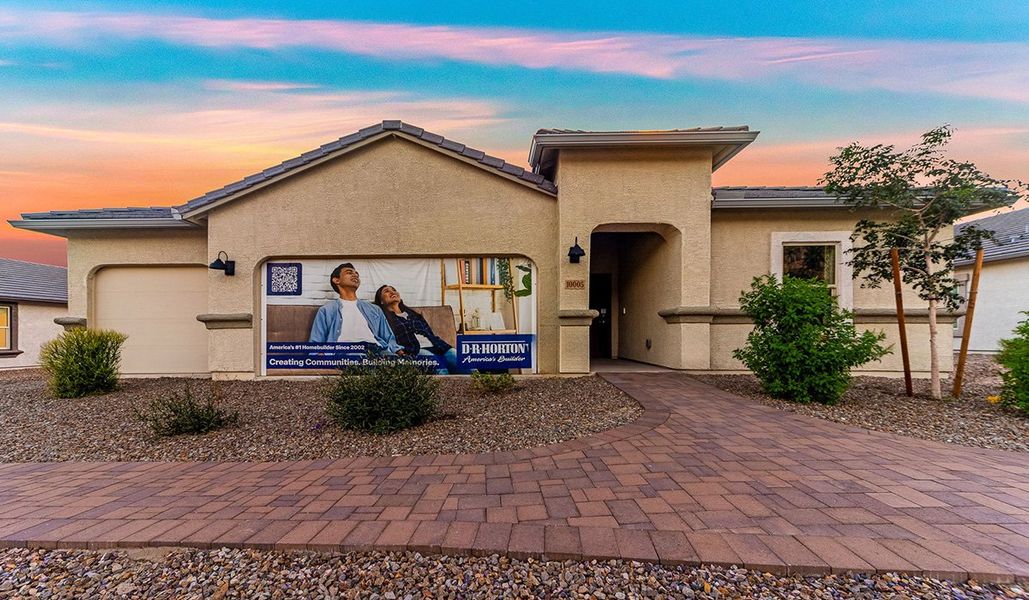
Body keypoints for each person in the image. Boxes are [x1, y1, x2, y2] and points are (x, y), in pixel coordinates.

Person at [308, 262, 402, 354]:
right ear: (337, 280)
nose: (355, 275)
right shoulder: (326, 310)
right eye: (349, 272)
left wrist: (400, 353)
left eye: (357, 274)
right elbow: (315, 344)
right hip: (342, 352)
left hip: (375, 351)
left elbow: (389, 337)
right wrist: (319, 356)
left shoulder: (374, 309)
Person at [374, 284, 460, 374]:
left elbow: (430, 333)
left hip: (439, 346)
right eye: (387, 291)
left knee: (465, 365)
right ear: (381, 301)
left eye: (394, 290)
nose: (392, 292)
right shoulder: (384, 318)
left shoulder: (414, 315)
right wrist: (399, 352)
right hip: (415, 351)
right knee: (440, 369)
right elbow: (384, 339)